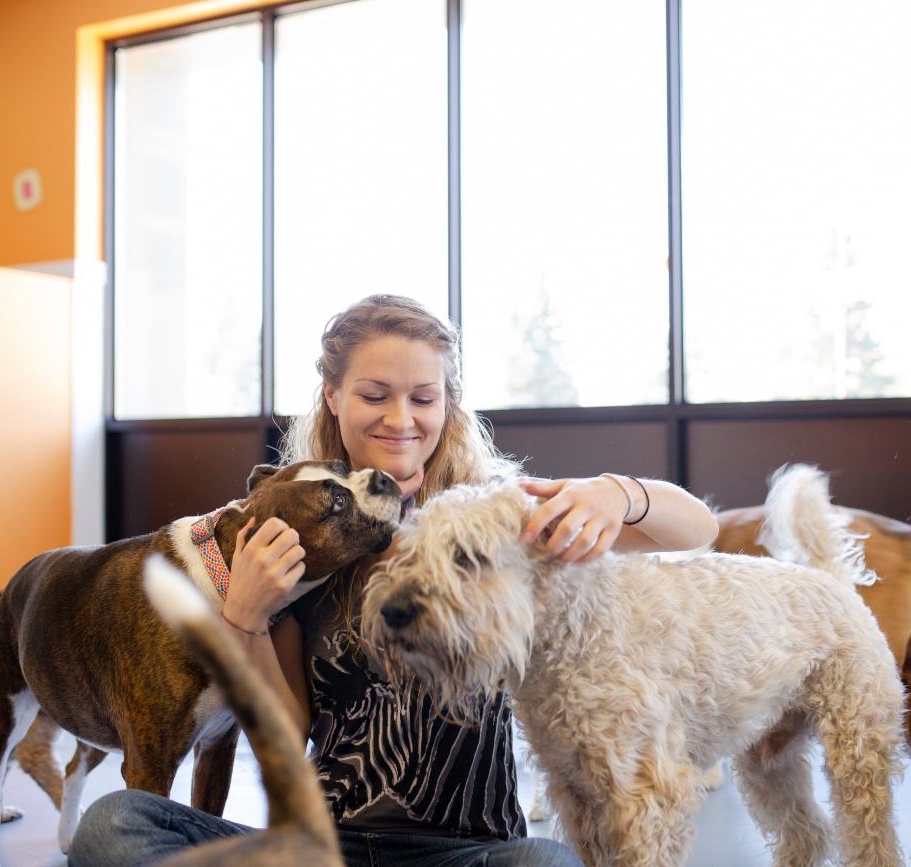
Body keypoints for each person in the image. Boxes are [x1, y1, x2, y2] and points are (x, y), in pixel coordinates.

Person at [69, 295, 719, 867]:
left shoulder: (497, 515)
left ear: (448, 404)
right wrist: (246, 619)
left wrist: (618, 494)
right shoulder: (303, 531)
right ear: (332, 395)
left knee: (545, 860)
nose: (400, 418)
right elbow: (287, 727)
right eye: (374, 395)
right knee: (115, 821)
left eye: (423, 398)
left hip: (474, 847)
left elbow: (697, 530)